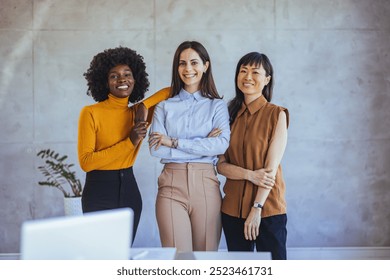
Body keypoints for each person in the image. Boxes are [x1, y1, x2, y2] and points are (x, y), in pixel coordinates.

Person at [78, 46, 169, 243]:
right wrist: (130, 142)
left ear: (136, 79)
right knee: (99, 256)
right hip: (98, 192)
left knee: (121, 254)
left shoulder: (138, 113)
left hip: (129, 190)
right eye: (114, 76)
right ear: (104, 81)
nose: (122, 80)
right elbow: (86, 162)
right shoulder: (91, 112)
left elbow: (169, 91)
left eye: (128, 74)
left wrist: (144, 106)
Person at [148, 41, 230, 252]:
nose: (188, 69)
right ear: (177, 68)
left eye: (194, 62)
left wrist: (174, 142)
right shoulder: (164, 106)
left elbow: (221, 145)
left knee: (205, 256)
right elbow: (156, 149)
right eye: (182, 63)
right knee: (178, 259)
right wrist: (203, 143)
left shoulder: (217, 105)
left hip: (206, 185)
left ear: (206, 65)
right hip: (171, 186)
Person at [216, 52, 289, 260]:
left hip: (268, 210)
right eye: (243, 71)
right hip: (232, 210)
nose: (247, 77)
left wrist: (256, 209)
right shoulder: (226, 115)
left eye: (255, 72)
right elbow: (221, 165)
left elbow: (269, 170)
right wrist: (249, 175)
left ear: (267, 79)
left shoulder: (277, 114)